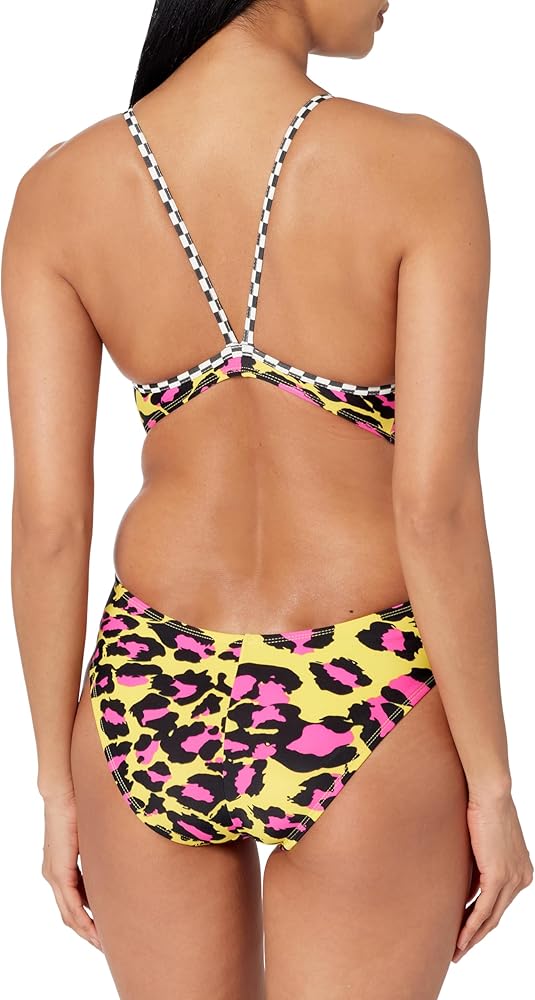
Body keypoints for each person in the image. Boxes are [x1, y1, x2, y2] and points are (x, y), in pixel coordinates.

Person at [3, 1, 532, 997]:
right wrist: (493, 784)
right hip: (364, 683)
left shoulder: (58, 189)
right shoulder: (423, 168)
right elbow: (434, 509)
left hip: (145, 691)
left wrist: (54, 784)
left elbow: (48, 525)